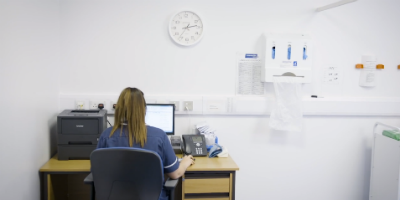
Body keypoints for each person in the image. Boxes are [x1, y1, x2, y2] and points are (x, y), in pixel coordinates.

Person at [96, 87, 195, 200]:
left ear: (119, 108)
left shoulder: (106, 136)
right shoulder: (159, 136)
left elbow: (98, 173)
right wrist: (185, 162)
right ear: (144, 109)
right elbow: (175, 174)